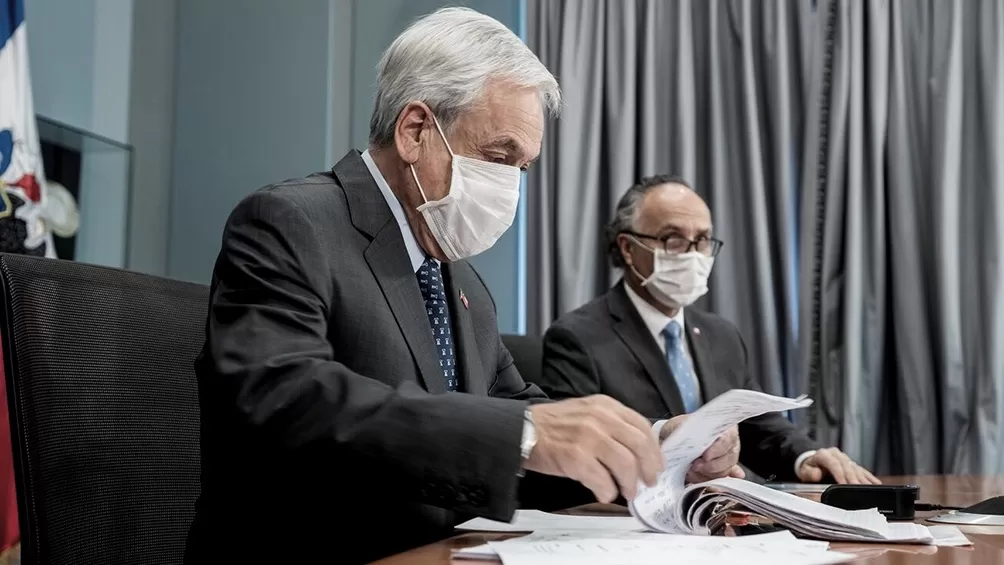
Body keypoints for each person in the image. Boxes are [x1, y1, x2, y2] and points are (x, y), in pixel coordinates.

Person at [184, 11, 740, 565]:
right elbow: (285, 398)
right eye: (499, 157)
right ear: (415, 131)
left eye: (522, 169)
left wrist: (655, 444)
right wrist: (524, 433)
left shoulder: (459, 275)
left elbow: (515, 432)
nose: (511, 188)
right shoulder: (290, 221)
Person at [537, 175, 880, 486]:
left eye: (701, 241)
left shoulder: (721, 335)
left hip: (721, 517)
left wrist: (806, 456)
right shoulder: (577, 337)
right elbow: (574, 449)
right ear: (628, 248)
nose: (692, 255)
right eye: (672, 240)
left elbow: (760, 428)